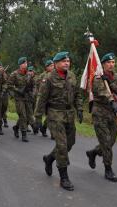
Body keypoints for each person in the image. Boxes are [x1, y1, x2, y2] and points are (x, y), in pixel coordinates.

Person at [35, 51, 83, 191]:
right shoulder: (49, 78)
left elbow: (78, 94)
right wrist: (38, 117)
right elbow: (41, 98)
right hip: (55, 114)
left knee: (70, 143)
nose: (67, 63)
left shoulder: (72, 76)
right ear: (56, 64)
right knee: (62, 146)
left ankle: (49, 158)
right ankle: (64, 177)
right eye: (63, 61)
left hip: (69, 114)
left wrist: (79, 108)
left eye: (68, 61)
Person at [85, 53, 117, 182]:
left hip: (112, 114)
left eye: (113, 62)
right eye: (108, 62)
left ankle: (93, 153)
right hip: (100, 113)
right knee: (106, 142)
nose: (111, 64)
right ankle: (108, 169)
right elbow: (100, 92)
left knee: (111, 141)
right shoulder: (98, 77)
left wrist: (111, 84)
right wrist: (111, 100)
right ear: (103, 64)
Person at [8, 57, 35, 142]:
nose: (25, 64)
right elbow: (9, 85)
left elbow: (33, 85)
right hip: (19, 97)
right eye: (24, 63)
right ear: (20, 64)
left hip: (27, 97)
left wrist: (32, 93)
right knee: (22, 115)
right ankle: (24, 134)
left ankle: (16, 127)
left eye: (26, 63)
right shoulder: (14, 74)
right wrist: (17, 90)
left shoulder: (29, 74)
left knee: (28, 115)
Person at [34, 59, 55, 138]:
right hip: (42, 97)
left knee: (51, 115)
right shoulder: (42, 75)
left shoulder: (56, 75)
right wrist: (36, 93)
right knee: (38, 113)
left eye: (53, 65)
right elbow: (36, 84)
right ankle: (37, 126)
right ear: (46, 67)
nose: (52, 67)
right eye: (50, 66)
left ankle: (44, 128)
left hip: (51, 98)